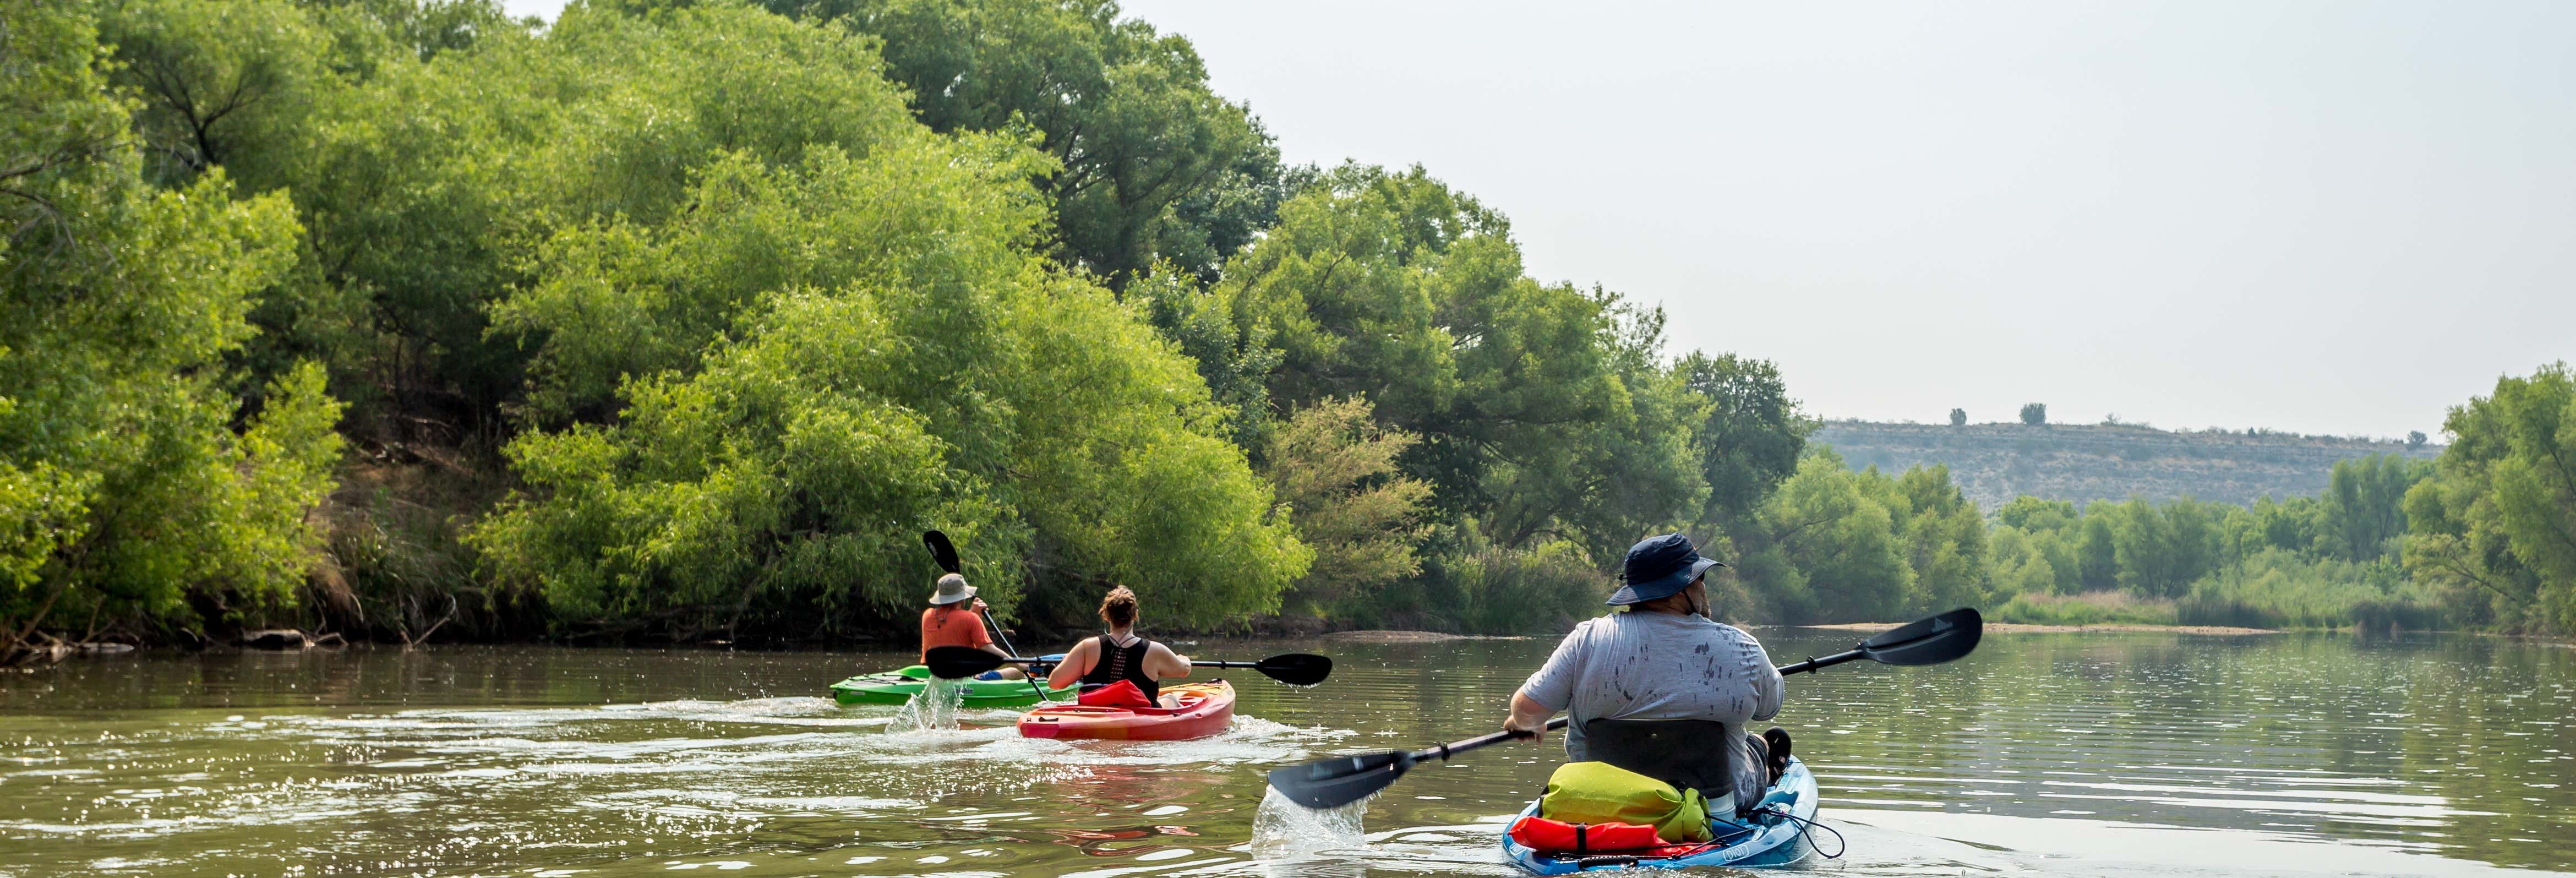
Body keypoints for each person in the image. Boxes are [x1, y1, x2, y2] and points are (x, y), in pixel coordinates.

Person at [1503, 533, 1791, 814]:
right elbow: (1768, 708)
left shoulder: (1587, 639)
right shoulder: (1743, 648)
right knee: (1760, 742)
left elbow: (1527, 710)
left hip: (1601, 807)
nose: (1704, 588)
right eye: (1701, 578)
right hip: (1711, 812)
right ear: (1684, 588)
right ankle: (1765, 753)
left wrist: (1527, 722)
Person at [1046, 586, 1191, 708]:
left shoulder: (1086, 648)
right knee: (1171, 698)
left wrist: (1070, 663)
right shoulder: (1155, 650)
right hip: (1140, 721)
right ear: (1135, 615)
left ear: (1106, 616)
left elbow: (1054, 683)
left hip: (1096, 719)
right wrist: (1185, 660)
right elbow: (1184, 671)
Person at [921, 573, 1021, 679]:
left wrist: (972, 613)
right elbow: (988, 649)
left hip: (935, 676)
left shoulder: (927, 615)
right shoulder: (971, 619)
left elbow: (951, 627)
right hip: (966, 680)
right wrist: (1018, 664)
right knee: (1016, 672)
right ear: (962, 598)